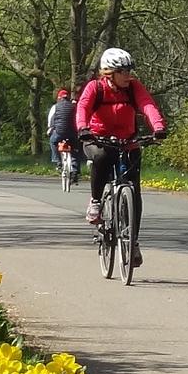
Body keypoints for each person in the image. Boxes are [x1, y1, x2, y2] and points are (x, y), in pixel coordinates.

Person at [77, 48, 167, 266]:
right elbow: (83, 107)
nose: (128, 75)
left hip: (127, 140)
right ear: (109, 73)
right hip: (98, 139)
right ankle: (96, 202)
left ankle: (133, 241)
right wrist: (83, 128)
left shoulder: (133, 88)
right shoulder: (95, 88)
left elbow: (147, 105)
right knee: (100, 157)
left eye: (129, 70)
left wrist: (158, 127)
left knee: (134, 191)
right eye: (123, 71)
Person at [46, 88, 77, 167]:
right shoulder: (73, 106)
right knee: (75, 148)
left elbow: (50, 119)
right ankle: (75, 168)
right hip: (72, 132)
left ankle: (57, 160)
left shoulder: (55, 107)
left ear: (59, 98)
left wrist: (50, 127)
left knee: (53, 141)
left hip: (59, 132)